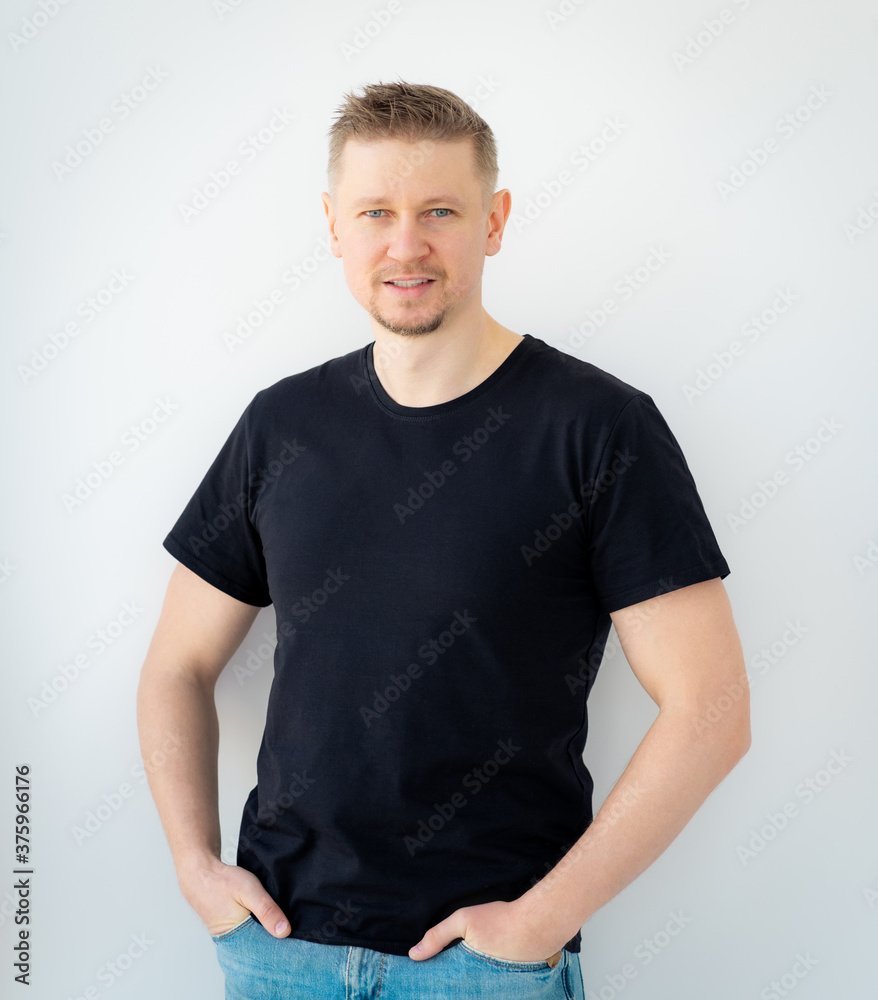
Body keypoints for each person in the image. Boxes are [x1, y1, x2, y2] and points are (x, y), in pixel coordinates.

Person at [136, 80, 750, 1000]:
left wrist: (535, 925)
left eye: (441, 212)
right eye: (375, 211)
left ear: (494, 221)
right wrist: (196, 867)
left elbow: (712, 710)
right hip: (278, 951)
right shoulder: (281, 424)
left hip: (486, 970)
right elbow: (175, 667)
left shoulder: (598, 428)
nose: (405, 243)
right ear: (334, 226)